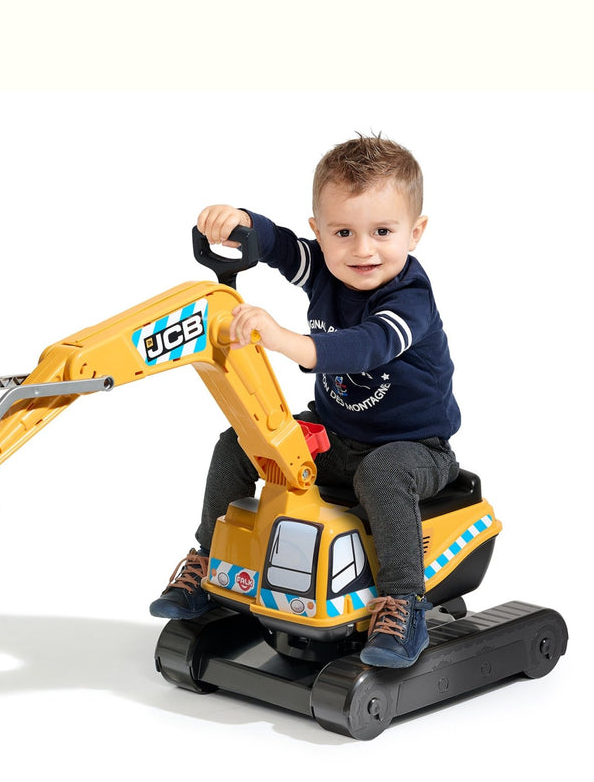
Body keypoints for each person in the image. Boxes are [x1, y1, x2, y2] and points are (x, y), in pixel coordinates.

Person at [149, 133, 461, 669]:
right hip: (336, 435)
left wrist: (283, 339)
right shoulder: (325, 267)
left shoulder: (410, 298)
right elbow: (280, 247)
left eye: (382, 232)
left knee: (383, 476)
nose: (363, 249)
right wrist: (241, 223)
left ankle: (401, 601)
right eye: (343, 232)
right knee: (240, 443)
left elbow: (367, 347)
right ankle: (205, 559)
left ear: (416, 232)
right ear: (322, 232)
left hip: (414, 447)